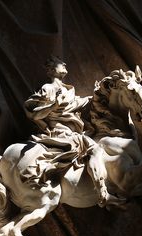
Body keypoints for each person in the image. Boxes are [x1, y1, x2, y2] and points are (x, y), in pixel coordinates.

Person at [24, 56, 112, 206]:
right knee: (95, 149)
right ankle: (102, 193)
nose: (64, 64)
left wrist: (99, 95)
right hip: (61, 131)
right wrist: (52, 106)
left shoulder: (68, 90)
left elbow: (79, 102)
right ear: (52, 71)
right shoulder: (48, 88)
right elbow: (34, 114)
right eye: (59, 63)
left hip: (76, 130)